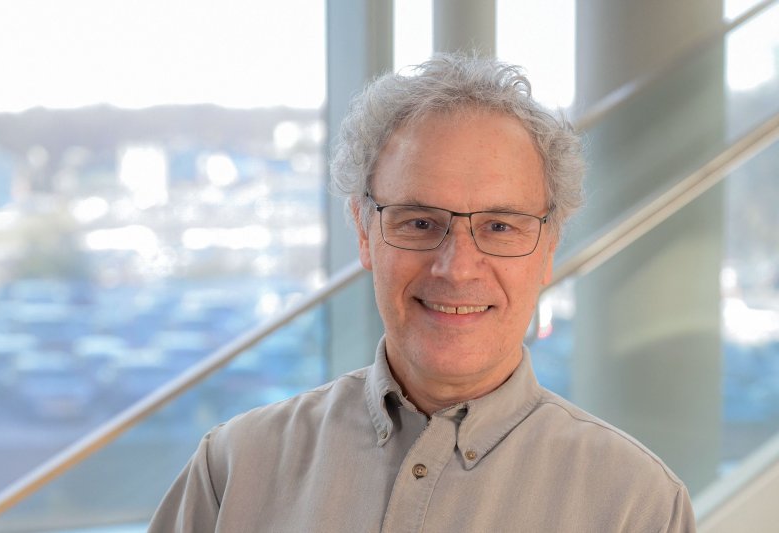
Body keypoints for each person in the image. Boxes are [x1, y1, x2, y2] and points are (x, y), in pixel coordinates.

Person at [148, 54, 696, 532]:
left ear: (548, 247)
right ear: (363, 231)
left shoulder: (637, 505)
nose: (456, 269)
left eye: (500, 226)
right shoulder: (235, 469)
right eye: (418, 222)